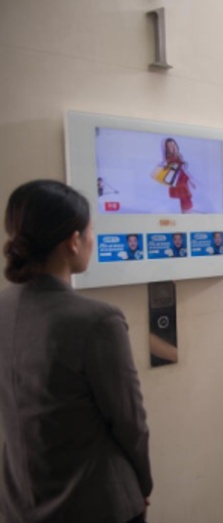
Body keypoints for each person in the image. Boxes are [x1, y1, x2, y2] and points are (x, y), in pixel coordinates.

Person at [0, 180, 152, 523]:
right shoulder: (97, 321)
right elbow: (130, 422)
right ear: (73, 241)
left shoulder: (4, 308)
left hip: (21, 504)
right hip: (97, 503)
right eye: (91, 230)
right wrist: (142, 482)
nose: (93, 239)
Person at [162, 138, 196, 213]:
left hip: (183, 182)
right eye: (170, 146)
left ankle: (186, 214)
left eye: (173, 144)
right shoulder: (169, 159)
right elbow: (176, 171)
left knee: (185, 201)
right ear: (167, 148)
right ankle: (186, 215)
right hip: (178, 184)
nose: (173, 147)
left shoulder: (178, 156)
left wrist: (190, 182)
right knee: (185, 202)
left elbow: (183, 170)